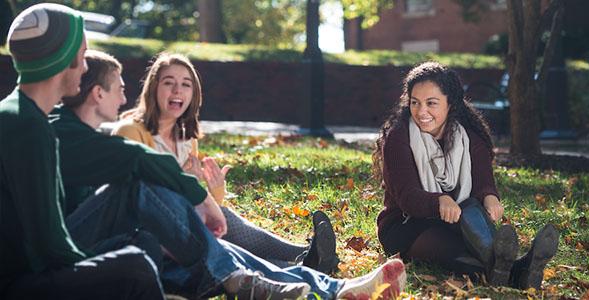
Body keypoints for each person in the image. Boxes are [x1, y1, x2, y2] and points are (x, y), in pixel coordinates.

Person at [52, 49, 407, 300]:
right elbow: (146, 173)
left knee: (214, 246)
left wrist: (207, 195)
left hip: (151, 231)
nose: (124, 95)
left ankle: (329, 284)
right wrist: (199, 194)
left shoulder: (177, 136)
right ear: (99, 93)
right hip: (114, 239)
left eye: (185, 85)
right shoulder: (111, 134)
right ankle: (292, 272)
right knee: (201, 239)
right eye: (119, 88)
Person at [113, 52, 338, 273]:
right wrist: (185, 183)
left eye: (186, 84)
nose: (177, 90)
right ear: (153, 88)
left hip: (183, 223)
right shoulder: (131, 132)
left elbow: (201, 206)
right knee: (218, 231)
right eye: (168, 82)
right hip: (147, 231)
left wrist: (216, 190)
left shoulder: (186, 138)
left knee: (222, 222)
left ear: (194, 94)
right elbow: (142, 197)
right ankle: (303, 261)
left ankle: (302, 261)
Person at [0, 4, 164, 299]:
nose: (86, 67)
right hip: (19, 280)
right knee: (136, 267)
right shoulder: (28, 126)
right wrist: (94, 270)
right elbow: (48, 244)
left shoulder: (19, 112)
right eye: (82, 55)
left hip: (33, 266)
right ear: (62, 59)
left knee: (143, 248)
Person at [372, 61, 559, 289]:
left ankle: (511, 270)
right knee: (455, 247)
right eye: (415, 103)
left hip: (461, 221)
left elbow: (483, 184)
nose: (421, 112)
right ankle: (521, 269)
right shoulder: (398, 138)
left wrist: (490, 197)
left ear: (450, 103)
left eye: (431, 103)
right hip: (406, 225)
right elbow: (407, 197)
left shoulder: (470, 137)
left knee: (471, 210)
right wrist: (439, 201)